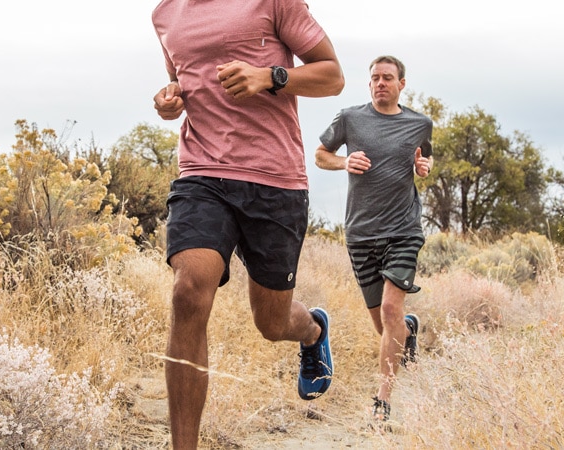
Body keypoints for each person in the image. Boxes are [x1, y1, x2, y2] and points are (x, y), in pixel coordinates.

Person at [151, 1, 345, 448]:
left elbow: (332, 76)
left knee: (272, 322)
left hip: (274, 181)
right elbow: (180, 82)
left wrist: (270, 77)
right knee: (188, 291)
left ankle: (313, 329)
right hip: (201, 173)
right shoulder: (165, 14)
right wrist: (168, 101)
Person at [314, 55, 433, 423]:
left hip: (403, 230)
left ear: (401, 84)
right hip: (361, 233)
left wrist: (423, 168)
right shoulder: (350, 118)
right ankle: (409, 330)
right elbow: (320, 155)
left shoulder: (420, 123)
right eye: (375, 78)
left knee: (390, 310)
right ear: (369, 84)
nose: (381, 83)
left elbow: (423, 161)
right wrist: (343, 162)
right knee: (385, 328)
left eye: (388, 78)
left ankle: (382, 401)